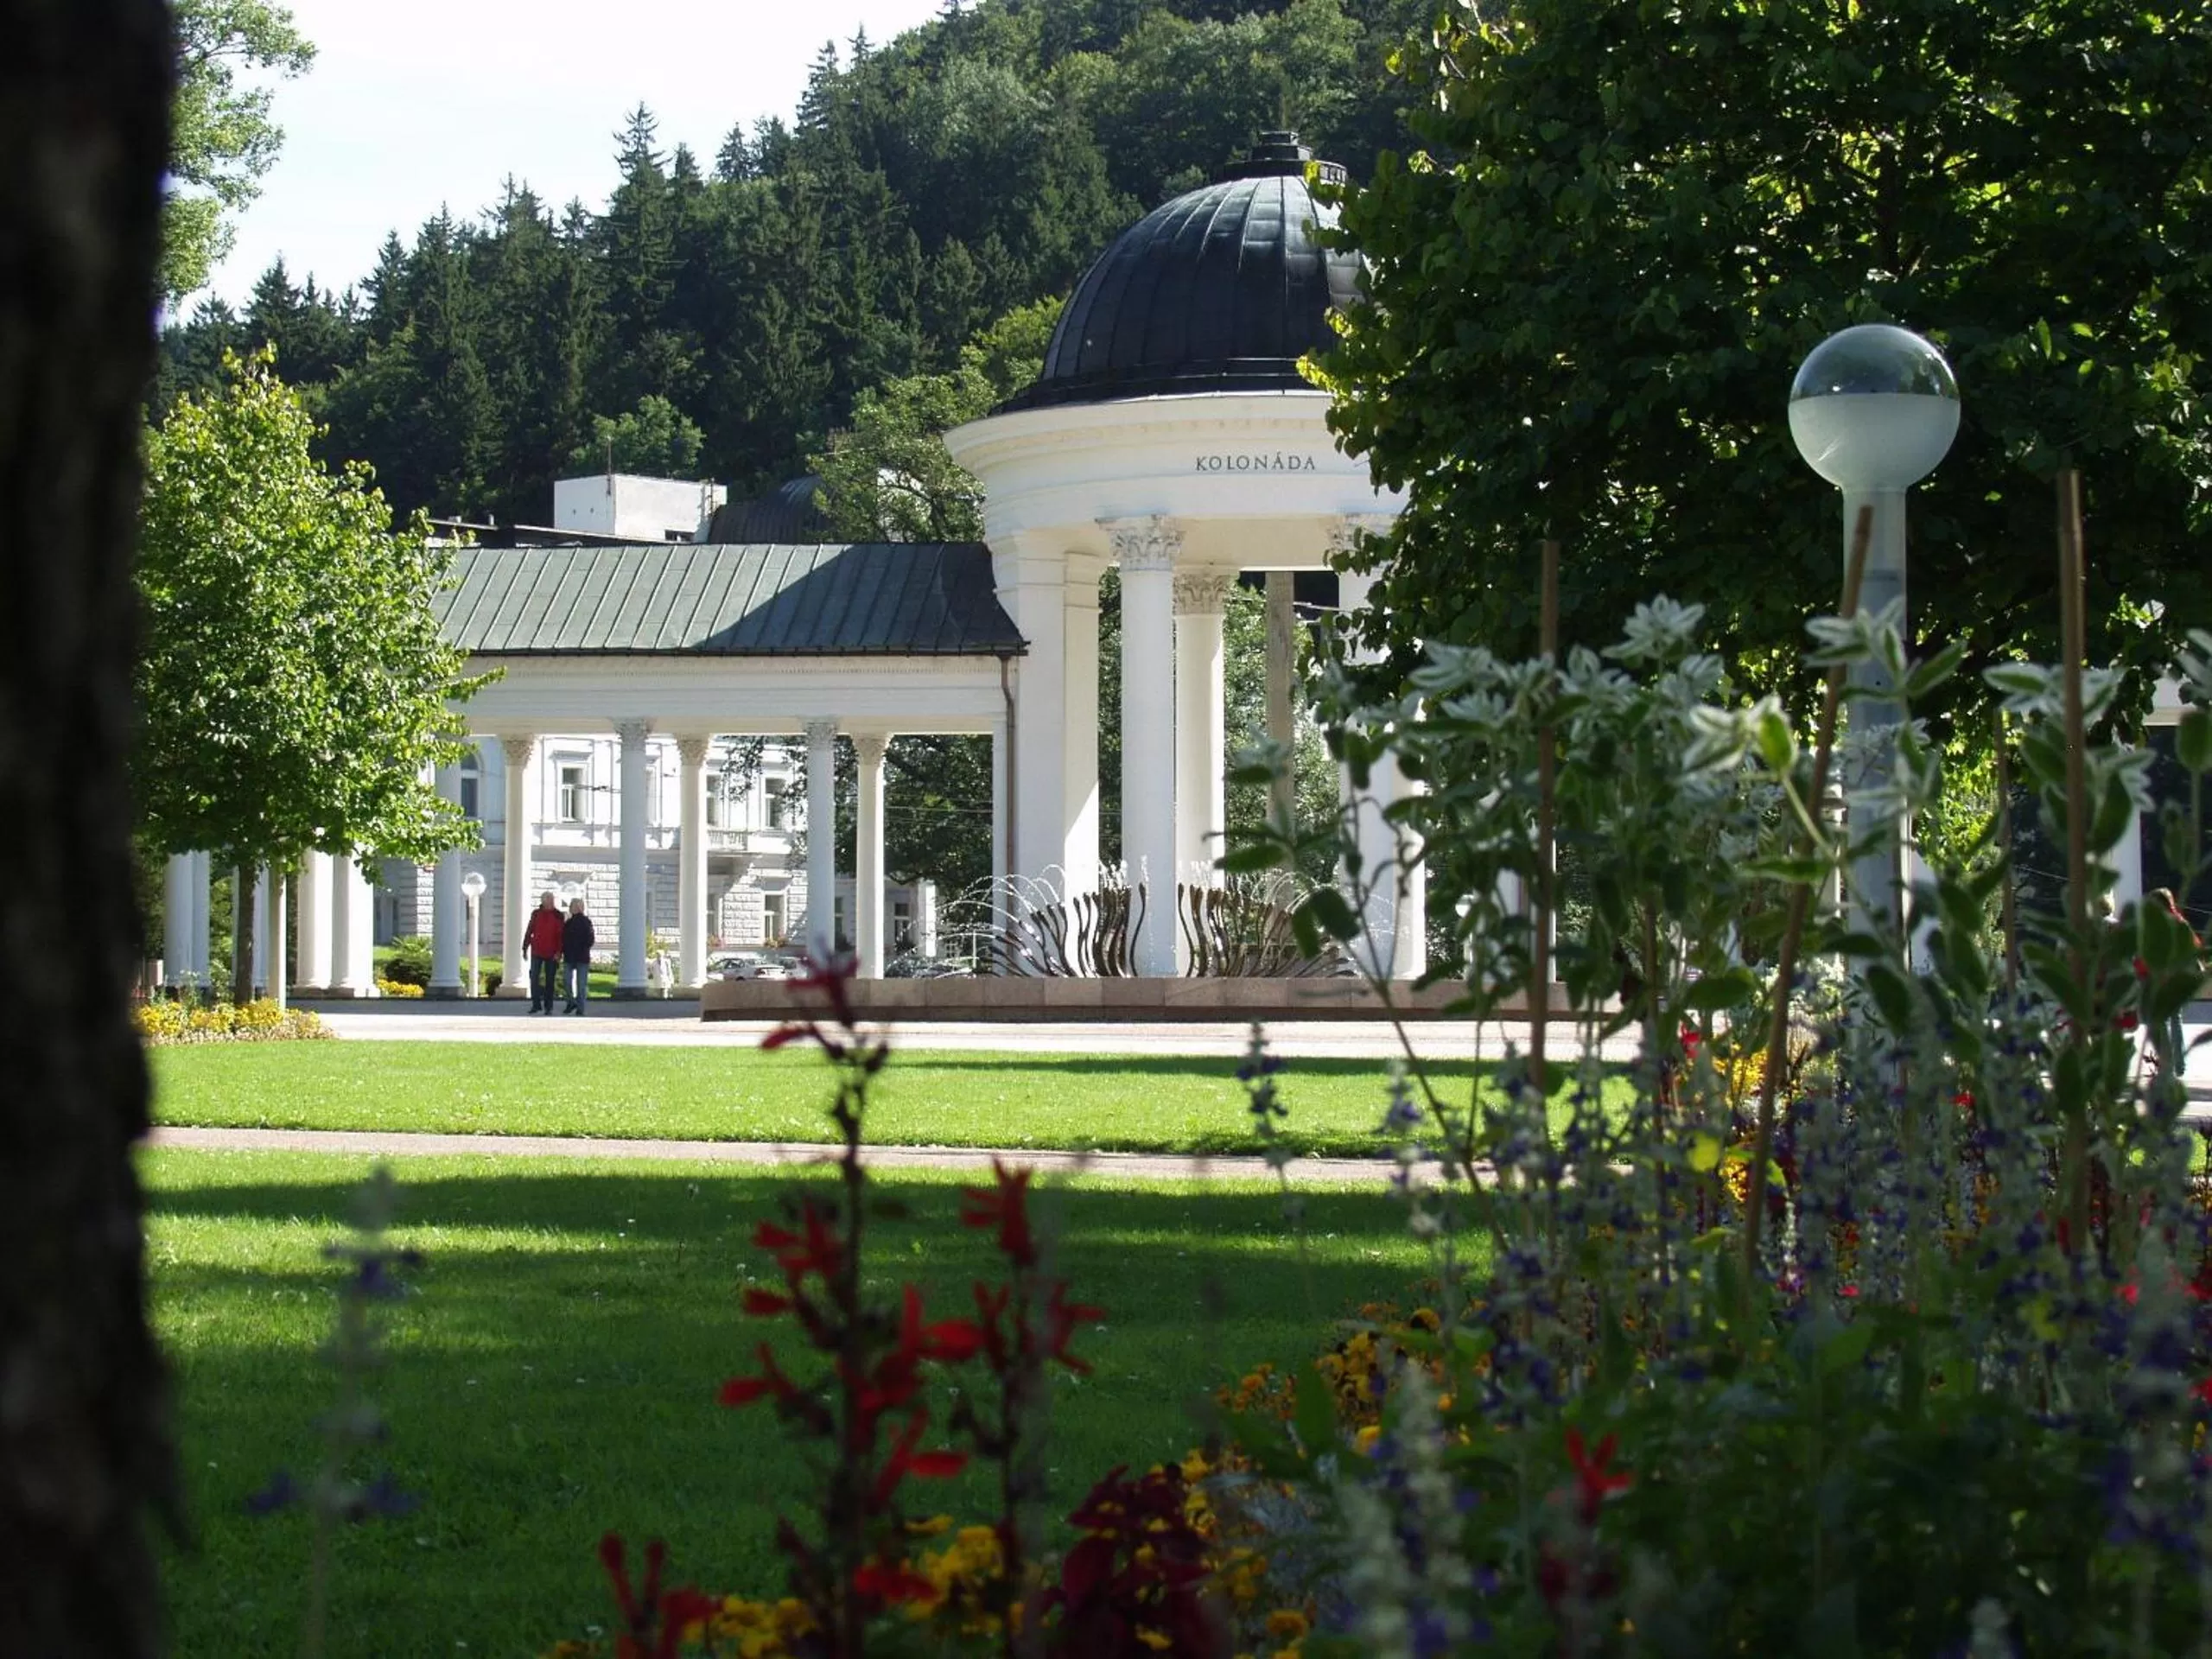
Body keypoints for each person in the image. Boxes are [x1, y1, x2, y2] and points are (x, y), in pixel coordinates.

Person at [523, 890, 564, 1014]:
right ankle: (536, 1004)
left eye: (552, 900)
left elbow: (561, 935)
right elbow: (530, 930)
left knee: (550, 980)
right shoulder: (536, 914)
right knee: (534, 978)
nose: (551, 902)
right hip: (537, 951)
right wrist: (525, 948)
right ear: (543, 902)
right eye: (548, 900)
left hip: (552, 953)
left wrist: (559, 952)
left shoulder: (558, 915)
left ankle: (548, 1006)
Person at [562, 896, 595, 1014]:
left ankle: (579, 1007)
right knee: (569, 982)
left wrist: (581, 948)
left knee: (579, 984)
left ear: (578, 908)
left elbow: (590, 939)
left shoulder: (585, 922)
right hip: (571, 957)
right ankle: (572, 1002)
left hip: (580, 957)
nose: (571, 908)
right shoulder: (568, 923)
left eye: (572, 906)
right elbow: (563, 939)